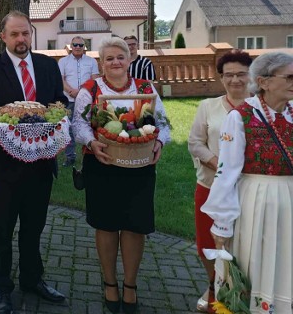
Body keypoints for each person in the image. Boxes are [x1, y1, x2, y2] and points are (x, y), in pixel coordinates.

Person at [0, 11, 68, 314]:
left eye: (25, 33)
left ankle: (32, 279)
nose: (21, 39)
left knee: (34, 227)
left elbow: (60, 101)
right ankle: (1, 286)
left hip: (40, 163)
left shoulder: (47, 65)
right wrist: (10, 116)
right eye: (14, 34)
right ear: (3, 37)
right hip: (3, 166)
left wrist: (58, 113)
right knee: (1, 229)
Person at [73, 37, 170, 314]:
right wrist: (91, 143)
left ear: (130, 59)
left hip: (139, 167)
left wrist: (160, 142)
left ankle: (130, 284)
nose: (115, 62)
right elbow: (78, 123)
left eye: (120, 57)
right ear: (101, 63)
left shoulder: (145, 88)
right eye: (109, 58)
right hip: (102, 165)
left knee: (134, 226)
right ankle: (109, 283)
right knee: (105, 225)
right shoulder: (90, 90)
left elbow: (161, 122)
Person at [202, 51, 293, 313]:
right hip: (257, 200)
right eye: (288, 77)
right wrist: (221, 223)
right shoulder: (240, 117)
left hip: (290, 197)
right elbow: (227, 171)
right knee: (259, 261)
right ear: (264, 82)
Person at [187, 49, 252, 313]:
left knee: (243, 244)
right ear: (221, 78)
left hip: (249, 189)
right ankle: (214, 285)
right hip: (210, 186)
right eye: (229, 75)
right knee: (207, 244)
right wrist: (219, 164)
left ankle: (245, 291)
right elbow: (195, 143)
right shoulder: (208, 107)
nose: (235, 80)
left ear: (252, 76)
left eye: (241, 74)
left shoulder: (261, 108)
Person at [58, 36, 100, 167]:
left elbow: (94, 80)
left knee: (89, 126)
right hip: (68, 99)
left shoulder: (91, 61)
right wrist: (71, 91)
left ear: (84, 47)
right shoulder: (63, 61)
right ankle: (70, 157)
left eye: (80, 45)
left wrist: (80, 91)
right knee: (68, 128)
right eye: (75, 45)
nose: (77, 47)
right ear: (71, 46)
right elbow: (61, 79)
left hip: (86, 100)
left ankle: (90, 153)